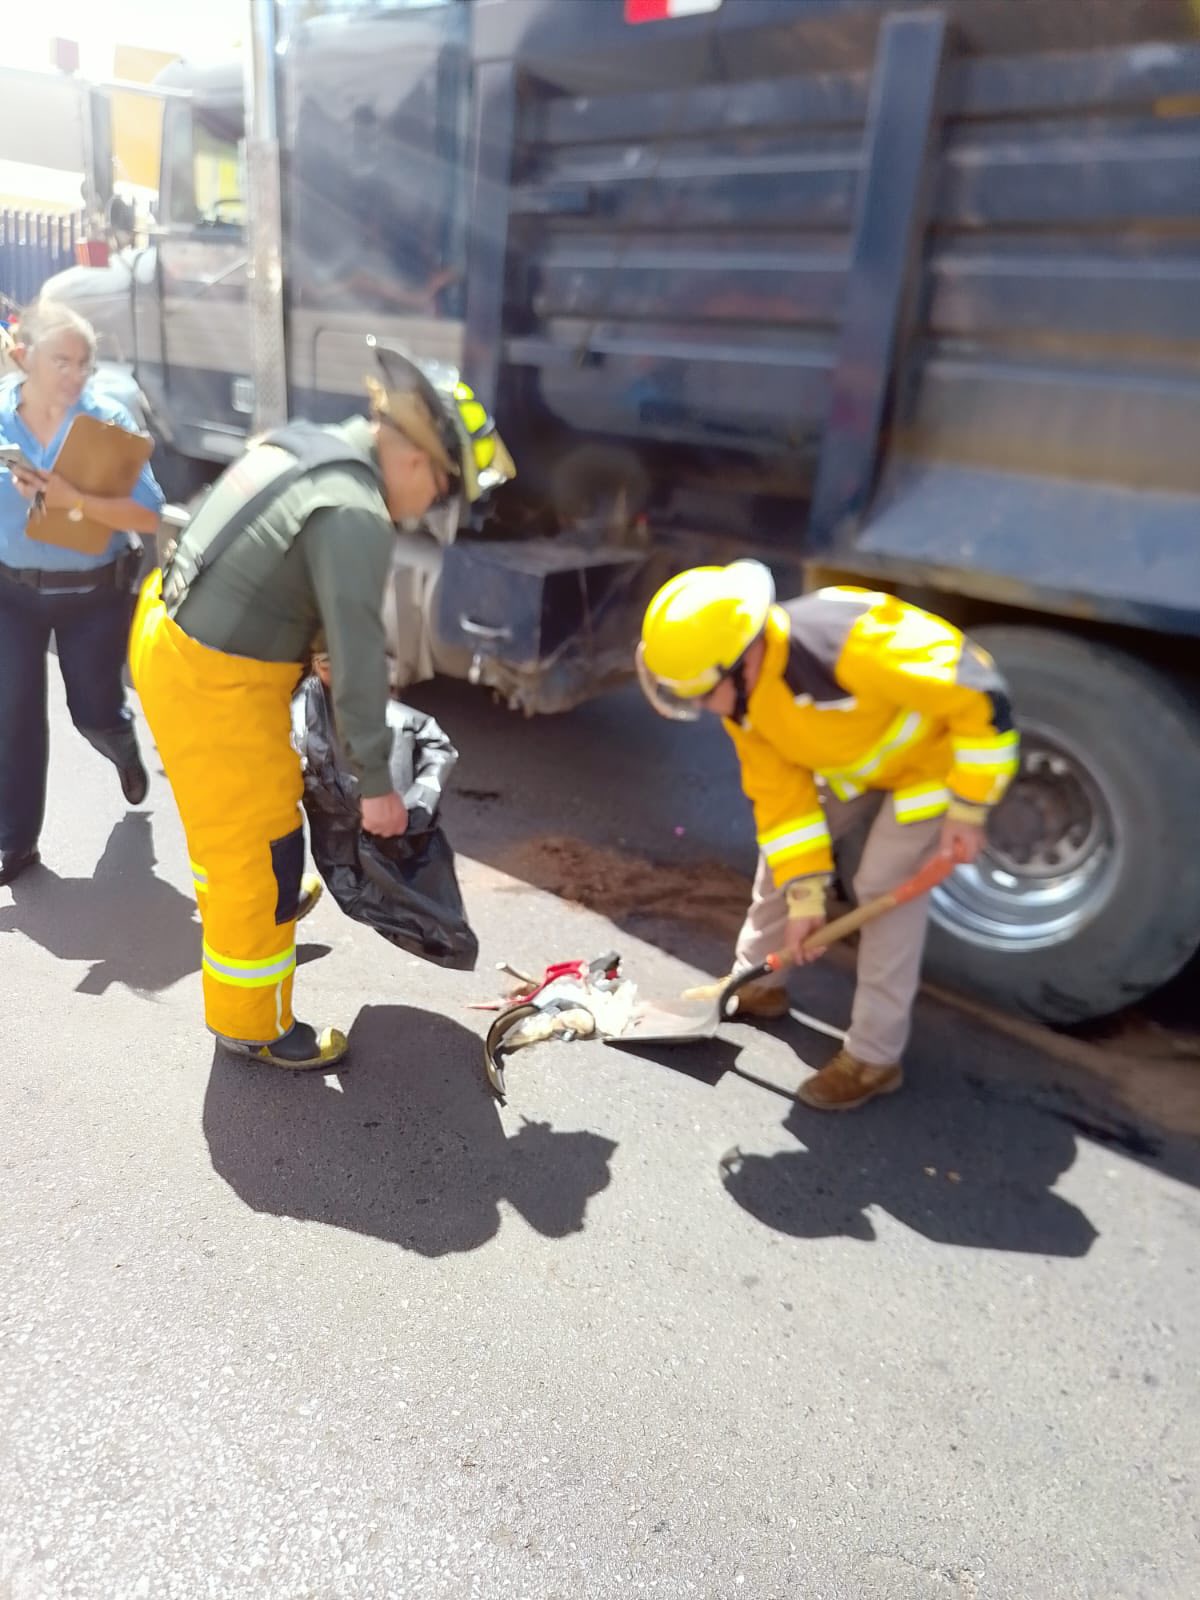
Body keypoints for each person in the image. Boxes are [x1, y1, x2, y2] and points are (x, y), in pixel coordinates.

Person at [129, 340, 513, 1070]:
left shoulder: (311, 445)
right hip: (217, 680)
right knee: (263, 853)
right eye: (441, 487)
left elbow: (269, 558)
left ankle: (237, 916)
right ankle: (255, 1023)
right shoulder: (356, 511)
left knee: (227, 834)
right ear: (414, 459)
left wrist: (313, 645)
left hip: (172, 639)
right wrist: (378, 790)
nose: (431, 503)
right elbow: (361, 659)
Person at [637, 561, 1019, 1111]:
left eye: (701, 693)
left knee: (884, 886)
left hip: (936, 761)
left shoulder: (853, 643)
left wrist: (970, 806)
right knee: (784, 865)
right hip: (855, 762)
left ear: (745, 659)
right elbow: (782, 806)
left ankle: (873, 1058)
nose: (699, 707)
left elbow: (984, 700)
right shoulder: (744, 703)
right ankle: (757, 984)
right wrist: (806, 897)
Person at [0, 299, 163, 888]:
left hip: (93, 595)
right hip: (10, 595)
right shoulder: (0, 418)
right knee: (10, 713)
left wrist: (78, 502)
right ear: (24, 358)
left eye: (83, 364)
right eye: (60, 361)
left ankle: (119, 743)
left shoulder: (108, 419)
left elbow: (150, 514)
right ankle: (14, 843)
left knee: (89, 708)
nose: (74, 375)